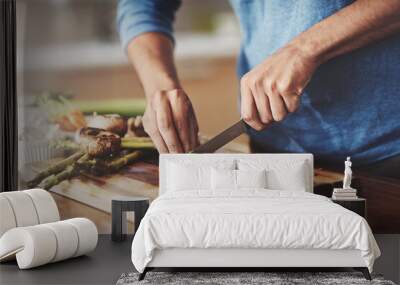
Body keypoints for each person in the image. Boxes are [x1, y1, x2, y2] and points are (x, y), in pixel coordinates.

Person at [117, 0, 400, 178]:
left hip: (386, 154)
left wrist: (304, 49)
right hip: (272, 150)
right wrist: (159, 86)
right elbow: (142, 5)